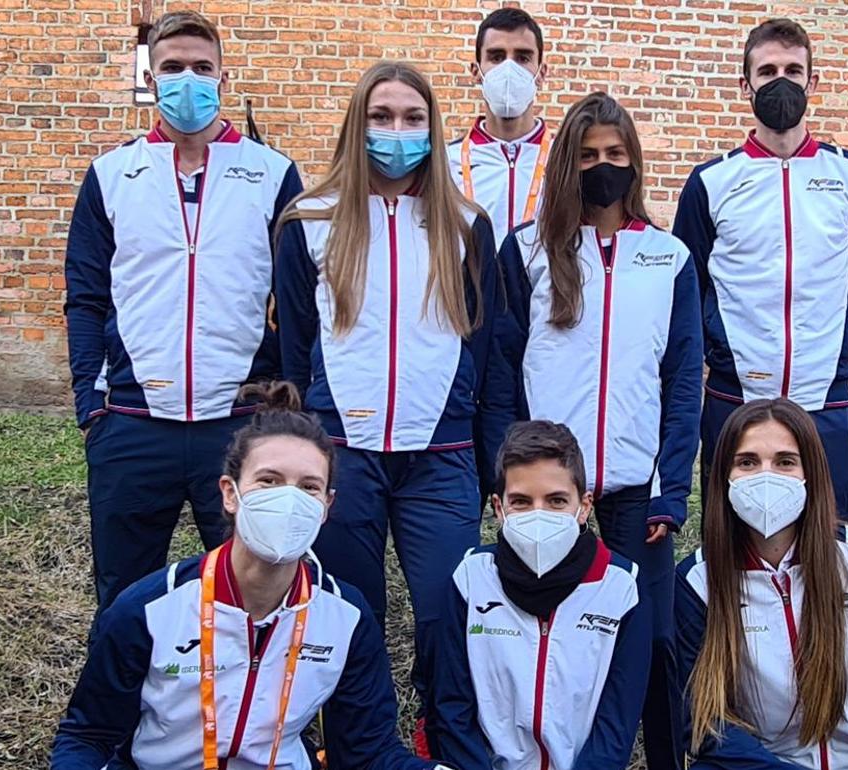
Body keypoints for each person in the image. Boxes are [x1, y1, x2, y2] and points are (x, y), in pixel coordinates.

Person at [273, 61, 507, 738]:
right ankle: (355, 740)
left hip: (441, 455)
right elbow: (296, 350)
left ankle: (443, 733)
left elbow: (483, 349)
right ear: (358, 125)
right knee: (349, 609)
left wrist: (488, 461)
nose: (397, 133)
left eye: (412, 119)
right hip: (343, 455)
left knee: (446, 609)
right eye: (382, 118)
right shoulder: (309, 221)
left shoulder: (467, 225)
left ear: (432, 131)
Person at [51, 382, 451, 770]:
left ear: (327, 505)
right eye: (269, 481)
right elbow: (88, 737)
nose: (289, 499)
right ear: (230, 493)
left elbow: (369, 753)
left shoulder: (346, 616)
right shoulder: (151, 608)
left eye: (309, 487)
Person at [64, 10, 303, 624]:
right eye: (173, 69)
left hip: (238, 420)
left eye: (202, 68)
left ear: (223, 75)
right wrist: (92, 405)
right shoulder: (113, 175)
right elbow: (86, 295)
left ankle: (235, 710)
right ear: (151, 77)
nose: (187, 81)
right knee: (123, 595)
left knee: (247, 591)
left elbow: (299, 296)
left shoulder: (271, 173)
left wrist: (285, 402)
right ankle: (124, 716)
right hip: (133, 419)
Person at [493, 91, 702, 770]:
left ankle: (667, 759)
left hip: (637, 494)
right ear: (566, 165)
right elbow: (499, 370)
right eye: (587, 156)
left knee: (657, 638)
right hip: (555, 497)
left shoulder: (667, 258)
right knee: (558, 637)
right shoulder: (526, 252)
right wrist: (506, 481)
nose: (602, 168)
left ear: (634, 163)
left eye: (614, 155)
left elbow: (682, 382)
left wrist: (672, 492)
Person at [671, 18, 848, 527]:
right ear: (745, 85)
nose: (781, 81)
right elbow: (689, 282)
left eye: (794, 69)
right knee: (731, 536)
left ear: (813, 83)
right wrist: (722, 346)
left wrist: (837, 335)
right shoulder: (711, 182)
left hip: (824, 389)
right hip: (735, 390)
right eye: (767, 71)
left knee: (833, 539)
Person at [675, 398, 848, 769]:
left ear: (811, 473)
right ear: (723, 475)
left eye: (785, 462)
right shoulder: (696, 580)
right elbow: (704, 718)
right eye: (747, 462)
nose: (765, 476)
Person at [428, 420, 651, 770]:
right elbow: (451, 705)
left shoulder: (622, 588)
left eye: (556, 501)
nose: (538, 515)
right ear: (499, 509)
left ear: (584, 507)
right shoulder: (469, 581)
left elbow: (616, 723)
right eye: (521, 501)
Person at [449, 7, 551, 249]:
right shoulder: (445, 164)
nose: (508, 69)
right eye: (496, 57)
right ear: (476, 71)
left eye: (523, 58)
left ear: (542, 73)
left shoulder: (565, 161)